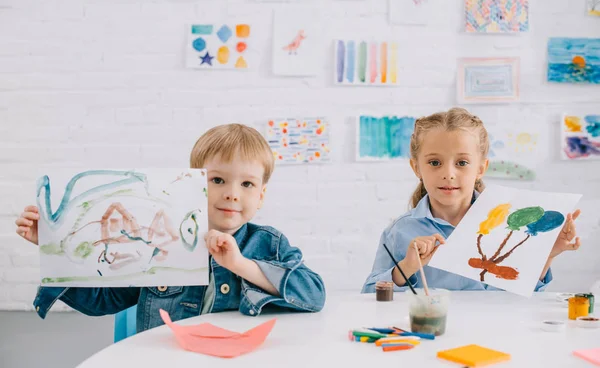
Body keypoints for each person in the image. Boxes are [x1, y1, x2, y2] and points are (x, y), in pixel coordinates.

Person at [16, 124, 326, 332]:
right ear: (191, 183)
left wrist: (241, 265)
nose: (232, 193)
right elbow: (103, 301)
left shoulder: (268, 244)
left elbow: (313, 295)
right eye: (217, 180)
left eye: (247, 184)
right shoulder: (160, 241)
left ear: (260, 196)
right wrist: (52, 244)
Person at [362, 107, 581, 293]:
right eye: (435, 163)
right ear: (416, 167)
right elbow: (369, 294)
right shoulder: (400, 231)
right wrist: (407, 267)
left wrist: (547, 255)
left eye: (462, 163)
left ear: (481, 168)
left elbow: (522, 297)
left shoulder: (508, 224)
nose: (448, 173)